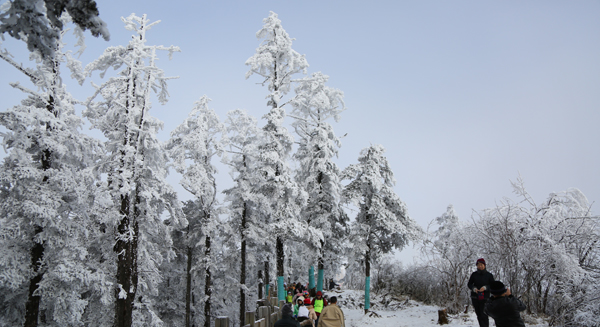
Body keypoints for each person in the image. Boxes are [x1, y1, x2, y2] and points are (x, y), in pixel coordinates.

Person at [467, 258, 495, 327]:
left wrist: (485, 288)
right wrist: (474, 288)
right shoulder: (474, 274)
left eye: (481, 265)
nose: (480, 266)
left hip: (485, 298)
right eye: (478, 265)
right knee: (479, 315)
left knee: (484, 315)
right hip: (475, 297)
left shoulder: (489, 275)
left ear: (484, 265)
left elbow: (493, 285)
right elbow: (469, 284)